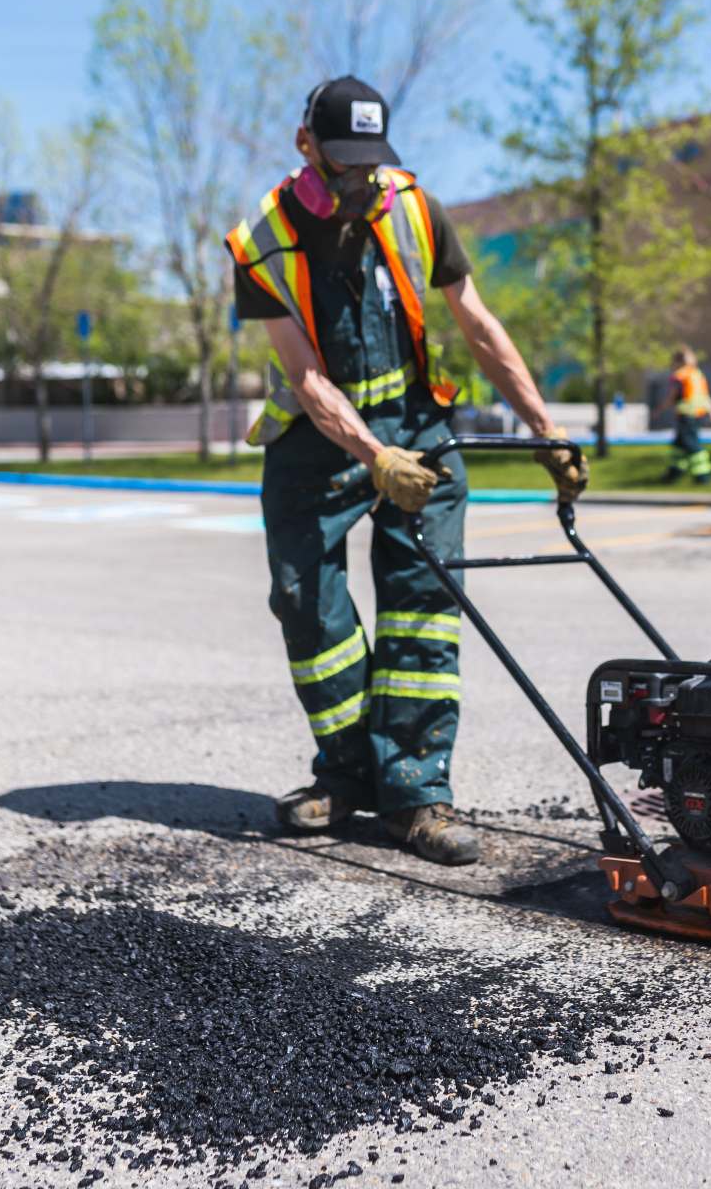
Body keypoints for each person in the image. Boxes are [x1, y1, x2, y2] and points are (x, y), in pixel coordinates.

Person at [224, 76, 587, 866]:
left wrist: (546, 432)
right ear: (305, 146)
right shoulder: (263, 242)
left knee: (424, 606)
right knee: (304, 605)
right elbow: (307, 378)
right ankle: (349, 774)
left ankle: (417, 794)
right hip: (321, 444)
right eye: (342, 165)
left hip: (419, 429)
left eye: (369, 165)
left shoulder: (415, 207)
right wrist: (374, 457)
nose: (359, 182)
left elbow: (479, 325)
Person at [658, 345, 711, 484]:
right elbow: (705, 395)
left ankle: (703, 476)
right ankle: (674, 472)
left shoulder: (680, 375)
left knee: (691, 444)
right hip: (699, 413)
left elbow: (672, 396)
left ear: (677, 361)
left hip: (686, 414)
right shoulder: (697, 374)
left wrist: (660, 409)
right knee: (679, 445)